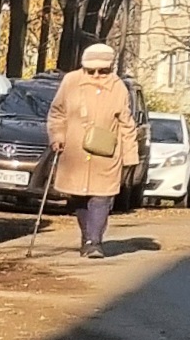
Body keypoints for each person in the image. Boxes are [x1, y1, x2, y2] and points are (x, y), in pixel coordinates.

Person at [46, 43, 139, 258]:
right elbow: (57, 113)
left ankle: (94, 242)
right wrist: (57, 137)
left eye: (103, 71)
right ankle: (87, 237)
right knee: (79, 198)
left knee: (101, 198)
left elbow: (127, 123)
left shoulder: (118, 87)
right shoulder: (71, 82)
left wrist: (130, 155)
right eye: (91, 70)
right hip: (75, 153)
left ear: (110, 68)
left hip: (106, 155)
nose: (96, 75)